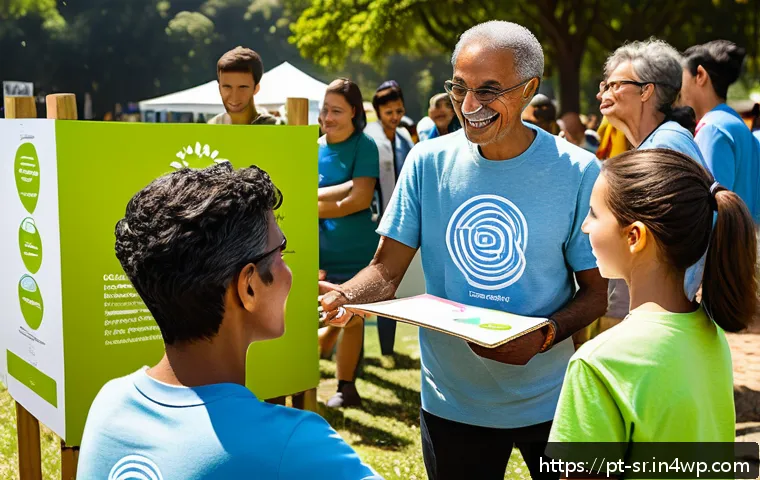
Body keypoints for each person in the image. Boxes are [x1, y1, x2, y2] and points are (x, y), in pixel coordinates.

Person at [320, 21, 608, 480]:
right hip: (452, 404)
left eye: (489, 90)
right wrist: (346, 296)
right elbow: (385, 270)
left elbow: (596, 293)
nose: (469, 106)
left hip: (553, 401)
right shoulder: (426, 161)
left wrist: (547, 336)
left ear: (529, 88)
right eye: (459, 87)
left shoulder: (577, 170)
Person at [77, 163, 380, 479]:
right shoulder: (293, 445)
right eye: (281, 254)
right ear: (248, 286)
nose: (289, 274)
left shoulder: (109, 403)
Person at [549, 148, 757, 449]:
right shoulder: (711, 334)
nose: (585, 226)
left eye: (594, 213)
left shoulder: (597, 362)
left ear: (634, 236)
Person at [597, 39, 705, 333]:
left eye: (614, 85)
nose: (601, 93)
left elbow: (671, 242)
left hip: (660, 312)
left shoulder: (666, 145)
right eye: (604, 84)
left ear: (646, 91)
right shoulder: (662, 141)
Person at [316, 78, 380, 408]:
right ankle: (310, 370)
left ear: (354, 112)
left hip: (356, 253)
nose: (327, 116)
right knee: (321, 318)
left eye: (336, 110)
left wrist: (310, 200)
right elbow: (349, 195)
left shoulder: (364, 145)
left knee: (352, 317)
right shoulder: (311, 147)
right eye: (325, 109)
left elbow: (360, 199)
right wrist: (341, 194)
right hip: (319, 254)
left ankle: (346, 387)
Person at [681, 40, 760, 224]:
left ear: (700, 75)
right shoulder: (733, 123)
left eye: (682, 76)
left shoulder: (712, 130)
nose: (679, 87)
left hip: (727, 250)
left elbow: (710, 213)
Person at [363, 81, 415, 356]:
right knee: (376, 282)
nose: (395, 117)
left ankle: (387, 348)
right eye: (388, 112)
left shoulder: (405, 138)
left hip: (402, 221)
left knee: (392, 286)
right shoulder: (369, 139)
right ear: (378, 112)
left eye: (399, 110)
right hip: (375, 221)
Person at [207, 46, 282, 125]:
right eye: (227, 87)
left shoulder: (274, 127)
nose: (234, 96)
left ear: (256, 88)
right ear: (219, 88)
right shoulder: (212, 125)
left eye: (242, 87)